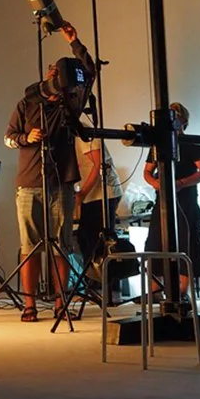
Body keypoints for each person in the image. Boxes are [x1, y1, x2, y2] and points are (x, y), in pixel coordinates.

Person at [5, 21, 92, 322]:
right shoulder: (27, 103)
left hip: (62, 184)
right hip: (29, 183)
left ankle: (60, 302)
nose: (56, 77)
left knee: (62, 246)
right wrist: (25, 138)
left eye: (61, 74)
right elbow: (8, 138)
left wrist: (74, 42)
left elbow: (89, 73)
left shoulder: (72, 103)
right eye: (53, 72)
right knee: (30, 247)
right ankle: (29, 304)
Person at [141, 102, 200, 301]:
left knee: (186, 242)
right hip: (162, 201)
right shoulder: (158, 145)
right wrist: (155, 183)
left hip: (185, 200)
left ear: (183, 121)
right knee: (155, 242)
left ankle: (182, 290)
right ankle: (155, 288)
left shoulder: (193, 143)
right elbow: (147, 171)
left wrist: (181, 183)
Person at [70, 117, 123, 296]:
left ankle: (106, 286)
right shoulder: (74, 135)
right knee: (86, 238)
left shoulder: (83, 133)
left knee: (98, 240)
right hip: (93, 194)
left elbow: (98, 165)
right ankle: (97, 284)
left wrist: (82, 193)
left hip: (103, 193)